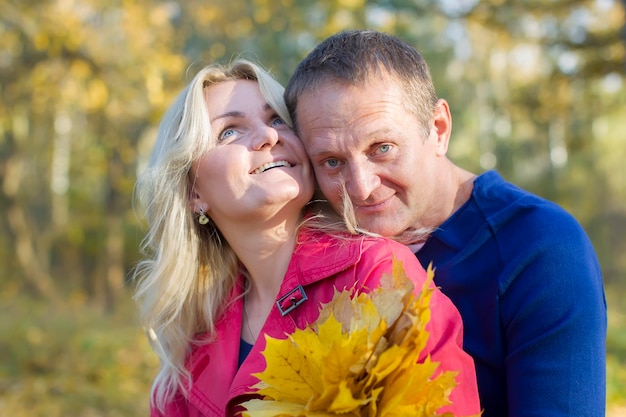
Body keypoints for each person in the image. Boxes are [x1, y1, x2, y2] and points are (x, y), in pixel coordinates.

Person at [284, 29, 606, 417]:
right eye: (332, 162)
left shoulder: (540, 248)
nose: (362, 187)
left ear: (438, 129)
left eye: (382, 148)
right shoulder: (308, 250)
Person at [132, 59, 481, 417]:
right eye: (229, 131)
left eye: (276, 119)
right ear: (193, 192)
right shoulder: (195, 342)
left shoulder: (376, 273)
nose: (269, 136)